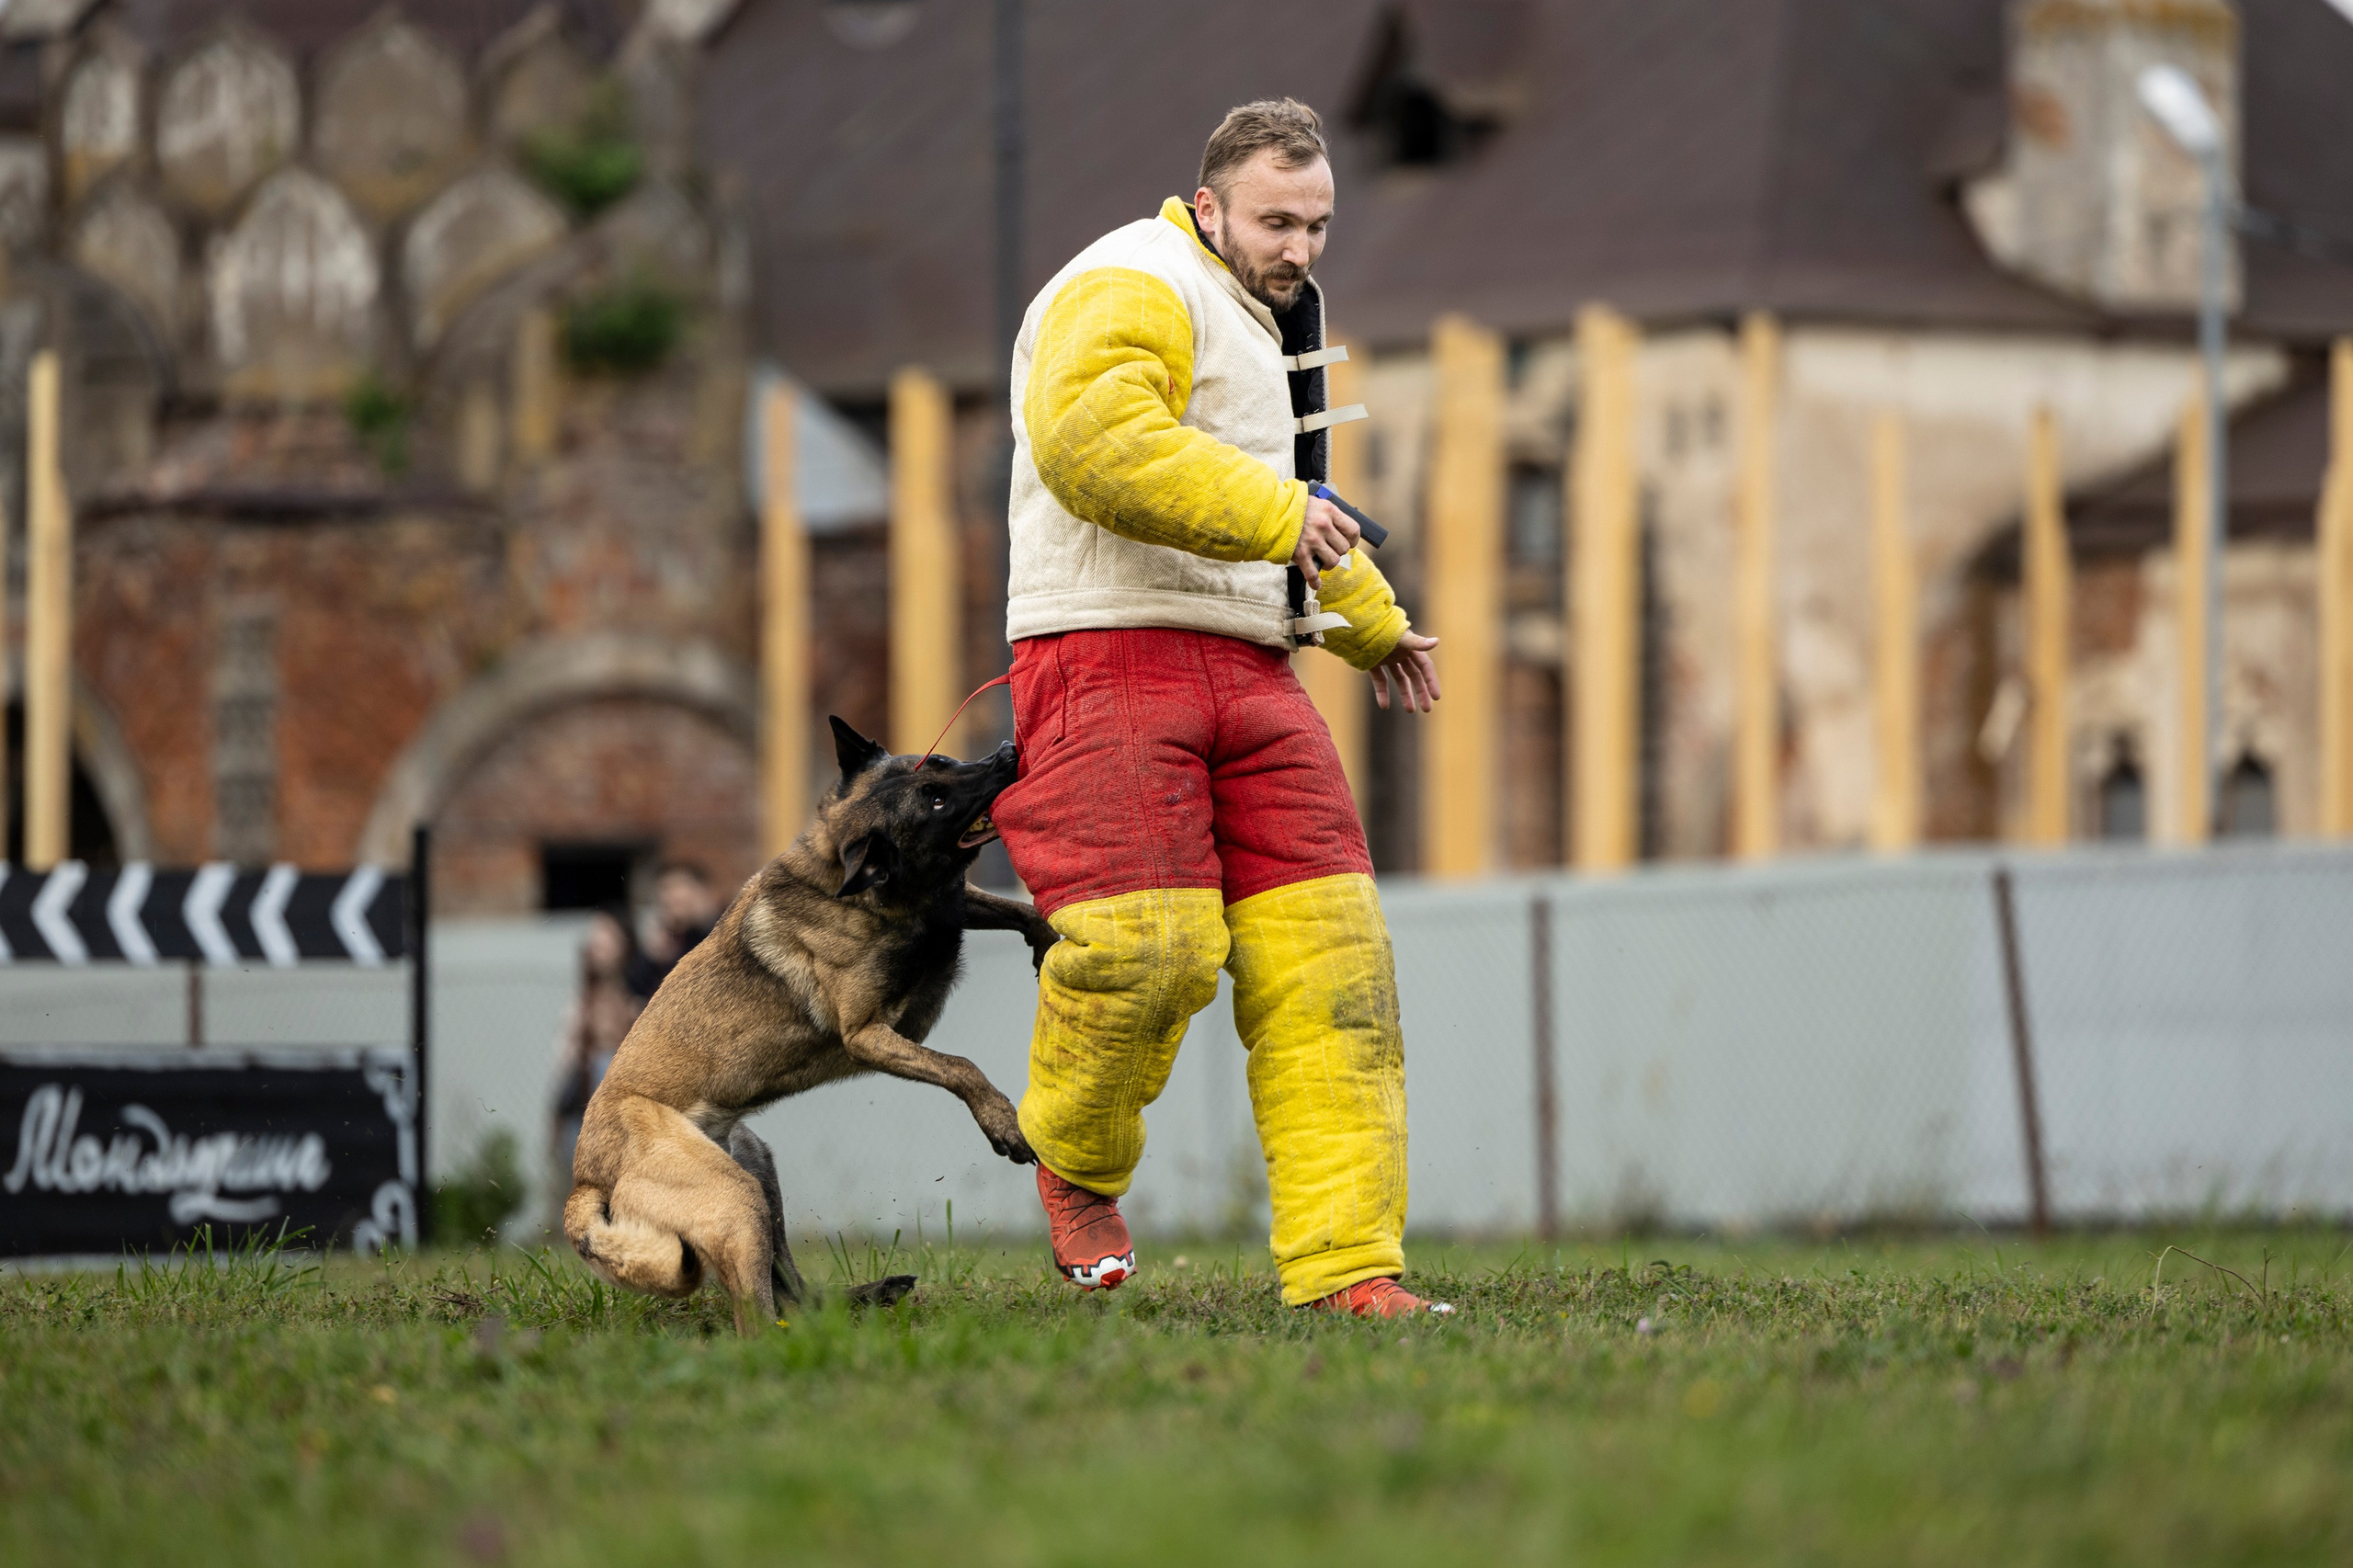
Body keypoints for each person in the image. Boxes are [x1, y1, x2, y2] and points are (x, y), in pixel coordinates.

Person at [993, 97, 1450, 1317]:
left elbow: (1301, 506)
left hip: (1253, 667)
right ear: (1208, 207)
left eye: (1318, 224)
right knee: (1151, 951)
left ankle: (1351, 1266)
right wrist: (1281, 519)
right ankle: (1076, 1159)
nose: (1301, 247)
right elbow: (1095, 442)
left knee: (1335, 966)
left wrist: (1373, 624)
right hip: (1101, 655)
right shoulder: (1132, 280)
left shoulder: (1273, 319)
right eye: (1276, 220)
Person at [550, 904, 644, 1225]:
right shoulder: (581, 1001)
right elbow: (564, 1063)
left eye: (607, 936)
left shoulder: (637, 999)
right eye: (595, 937)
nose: (597, 943)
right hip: (580, 1106)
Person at [625, 859, 721, 1000]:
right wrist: (653, 957)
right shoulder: (669, 943)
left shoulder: (720, 932)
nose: (668, 897)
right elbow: (636, 989)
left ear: (700, 891)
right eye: (664, 889)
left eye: (675, 887)